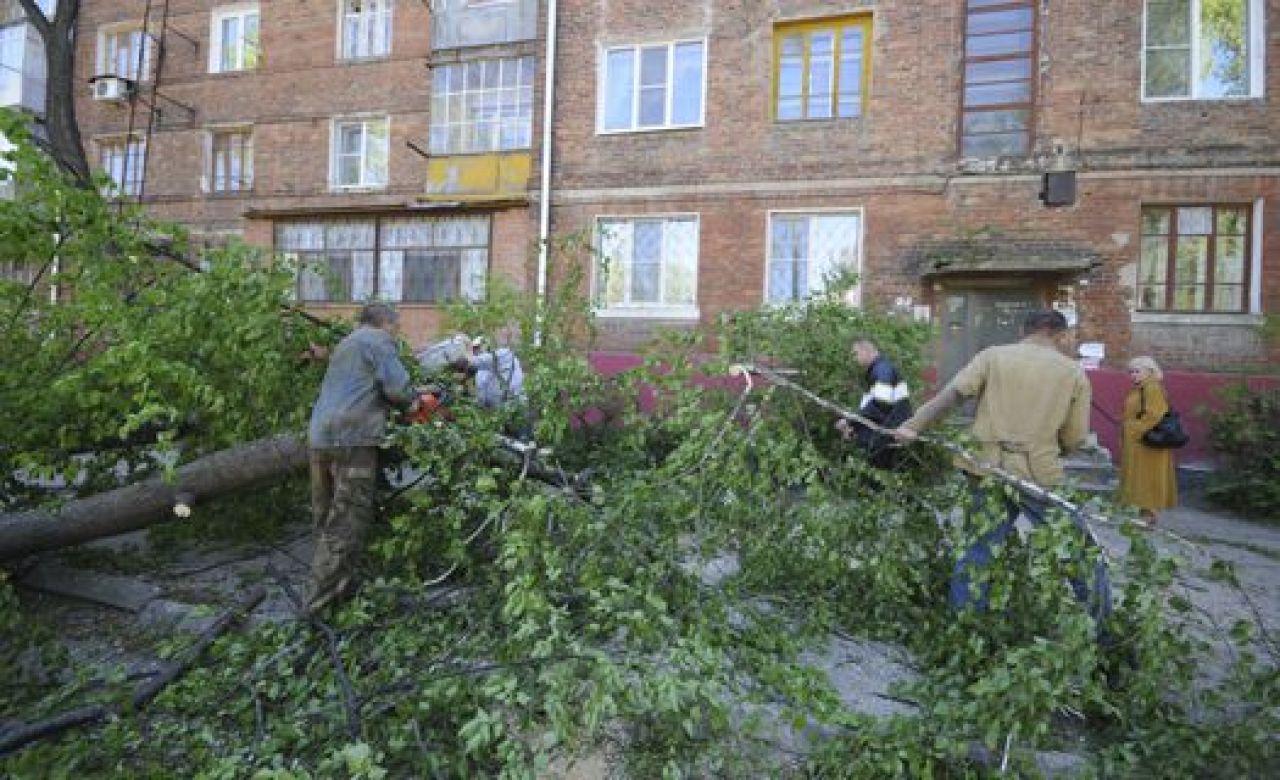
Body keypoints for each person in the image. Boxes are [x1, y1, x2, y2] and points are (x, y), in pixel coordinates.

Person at [893, 309, 1109, 619]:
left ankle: (965, 628)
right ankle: (1106, 636)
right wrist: (1050, 449)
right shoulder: (1072, 372)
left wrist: (913, 426)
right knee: (1077, 550)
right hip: (1039, 473)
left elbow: (952, 396)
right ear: (1061, 336)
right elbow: (1075, 437)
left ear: (1025, 330)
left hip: (985, 466)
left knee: (979, 548)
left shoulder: (992, 356)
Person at [305, 302, 417, 614]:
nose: (396, 333)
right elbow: (399, 390)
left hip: (320, 437)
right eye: (396, 327)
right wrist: (416, 401)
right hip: (352, 439)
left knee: (326, 515)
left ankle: (336, 589)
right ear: (385, 323)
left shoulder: (346, 344)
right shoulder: (378, 340)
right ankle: (317, 607)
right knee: (348, 520)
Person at [1118, 356, 1178, 528]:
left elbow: (1154, 414)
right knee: (1142, 478)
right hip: (1141, 443)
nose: (1133, 375)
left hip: (1147, 444)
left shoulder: (1152, 388)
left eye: (1137, 371)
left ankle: (1149, 515)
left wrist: (1132, 428)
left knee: (1148, 478)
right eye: (1131, 372)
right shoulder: (1142, 388)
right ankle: (1144, 514)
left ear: (1150, 371)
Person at [835, 338, 912, 468]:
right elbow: (873, 406)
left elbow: (880, 404)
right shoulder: (879, 370)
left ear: (866, 351)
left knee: (876, 474)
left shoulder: (882, 370)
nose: (854, 359)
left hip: (887, 434)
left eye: (856, 353)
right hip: (889, 431)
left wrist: (850, 421)